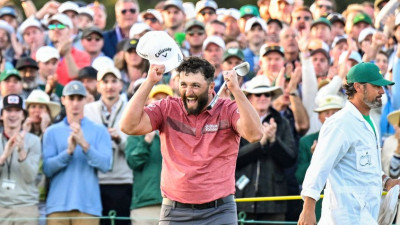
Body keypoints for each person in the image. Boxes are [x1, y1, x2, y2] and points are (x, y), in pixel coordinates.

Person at [120, 56, 263, 224]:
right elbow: (128, 126)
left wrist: (236, 91)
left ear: (211, 87)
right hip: (174, 210)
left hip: (220, 210)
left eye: (195, 85)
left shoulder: (227, 108)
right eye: (183, 85)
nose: (188, 92)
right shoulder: (167, 107)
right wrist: (150, 81)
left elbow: (255, 134)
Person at [298, 62, 400, 225]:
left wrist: (388, 182)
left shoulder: (369, 122)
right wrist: (308, 209)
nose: (382, 91)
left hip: (366, 217)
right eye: (376, 86)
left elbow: (365, 167)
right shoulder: (339, 123)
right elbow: (319, 166)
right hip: (343, 218)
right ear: (359, 87)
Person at [43, 80, 112, 225]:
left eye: (79, 98)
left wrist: (85, 145)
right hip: (57, 205)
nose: (75, 103)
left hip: (88, 206)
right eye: (71, 98)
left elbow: (106, 165)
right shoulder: (51, 132)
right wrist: (68, 152)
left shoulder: (99, 130)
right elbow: (47, 169)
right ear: (63, 100)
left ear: (86, 100)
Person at [236, 75, 297, 224]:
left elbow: (290, 159)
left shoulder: (283, 123)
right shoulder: (238, 121)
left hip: (274, 203)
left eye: (267, 94)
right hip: (243, 199)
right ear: (249, 97)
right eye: (258, 94)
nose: (263, 97)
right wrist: (260, 143)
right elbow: (233, 158)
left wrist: (274, 141)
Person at [84, 66, 131, 225]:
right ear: (98, 86)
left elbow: (134, 150)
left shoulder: (131, 109)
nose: (109, 86)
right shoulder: (87, 111)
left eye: (113, 81)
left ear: (121, 85)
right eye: (105, 82)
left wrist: (118, 139)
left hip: (123, 180)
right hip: (95, 180)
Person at [125, 84, 173, 225]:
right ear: (148, 101)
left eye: (166, 100)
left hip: (173, 204)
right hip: (145, 204)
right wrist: (147, 140)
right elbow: (133, 162)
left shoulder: (181, 133)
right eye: (157, 99)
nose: (161, 103)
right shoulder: (136, 131)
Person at [0, 94, 41, 225]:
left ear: (23, 116)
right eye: (9, 110)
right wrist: (4, 156)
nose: (13, 115)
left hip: (26, 207)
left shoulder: (34, 141)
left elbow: (30, 177)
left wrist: (21, 151)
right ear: (2, 115)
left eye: (17, 110)